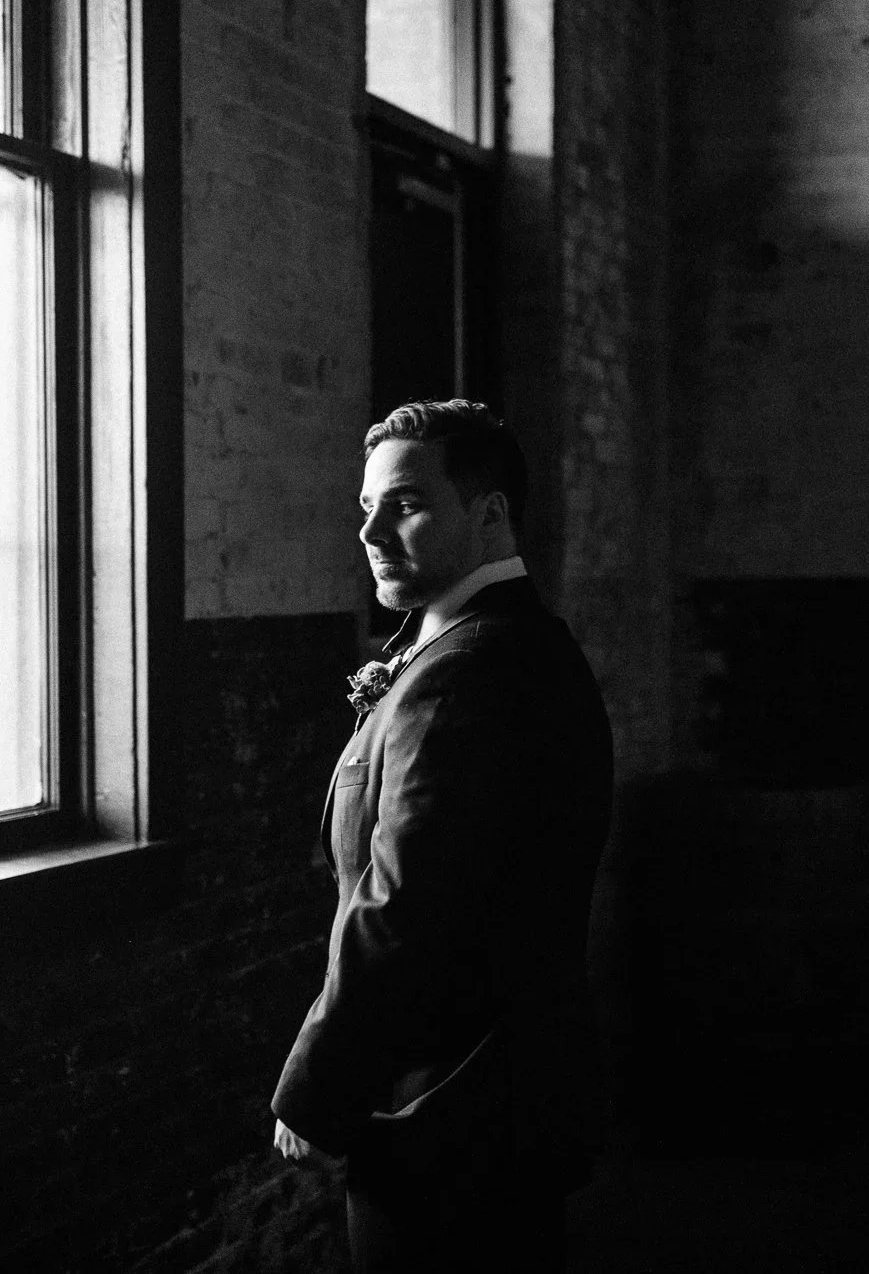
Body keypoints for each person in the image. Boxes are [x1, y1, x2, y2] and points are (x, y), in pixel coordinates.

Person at [270, 399, 614, 1272]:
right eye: (366, 509)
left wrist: (318, 1086)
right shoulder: (515, 644)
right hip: (506, 1096)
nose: (372, 531)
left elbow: (404, 910)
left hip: (450, 1113)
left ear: (491, 514)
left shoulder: (466, 673)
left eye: (407, 504)